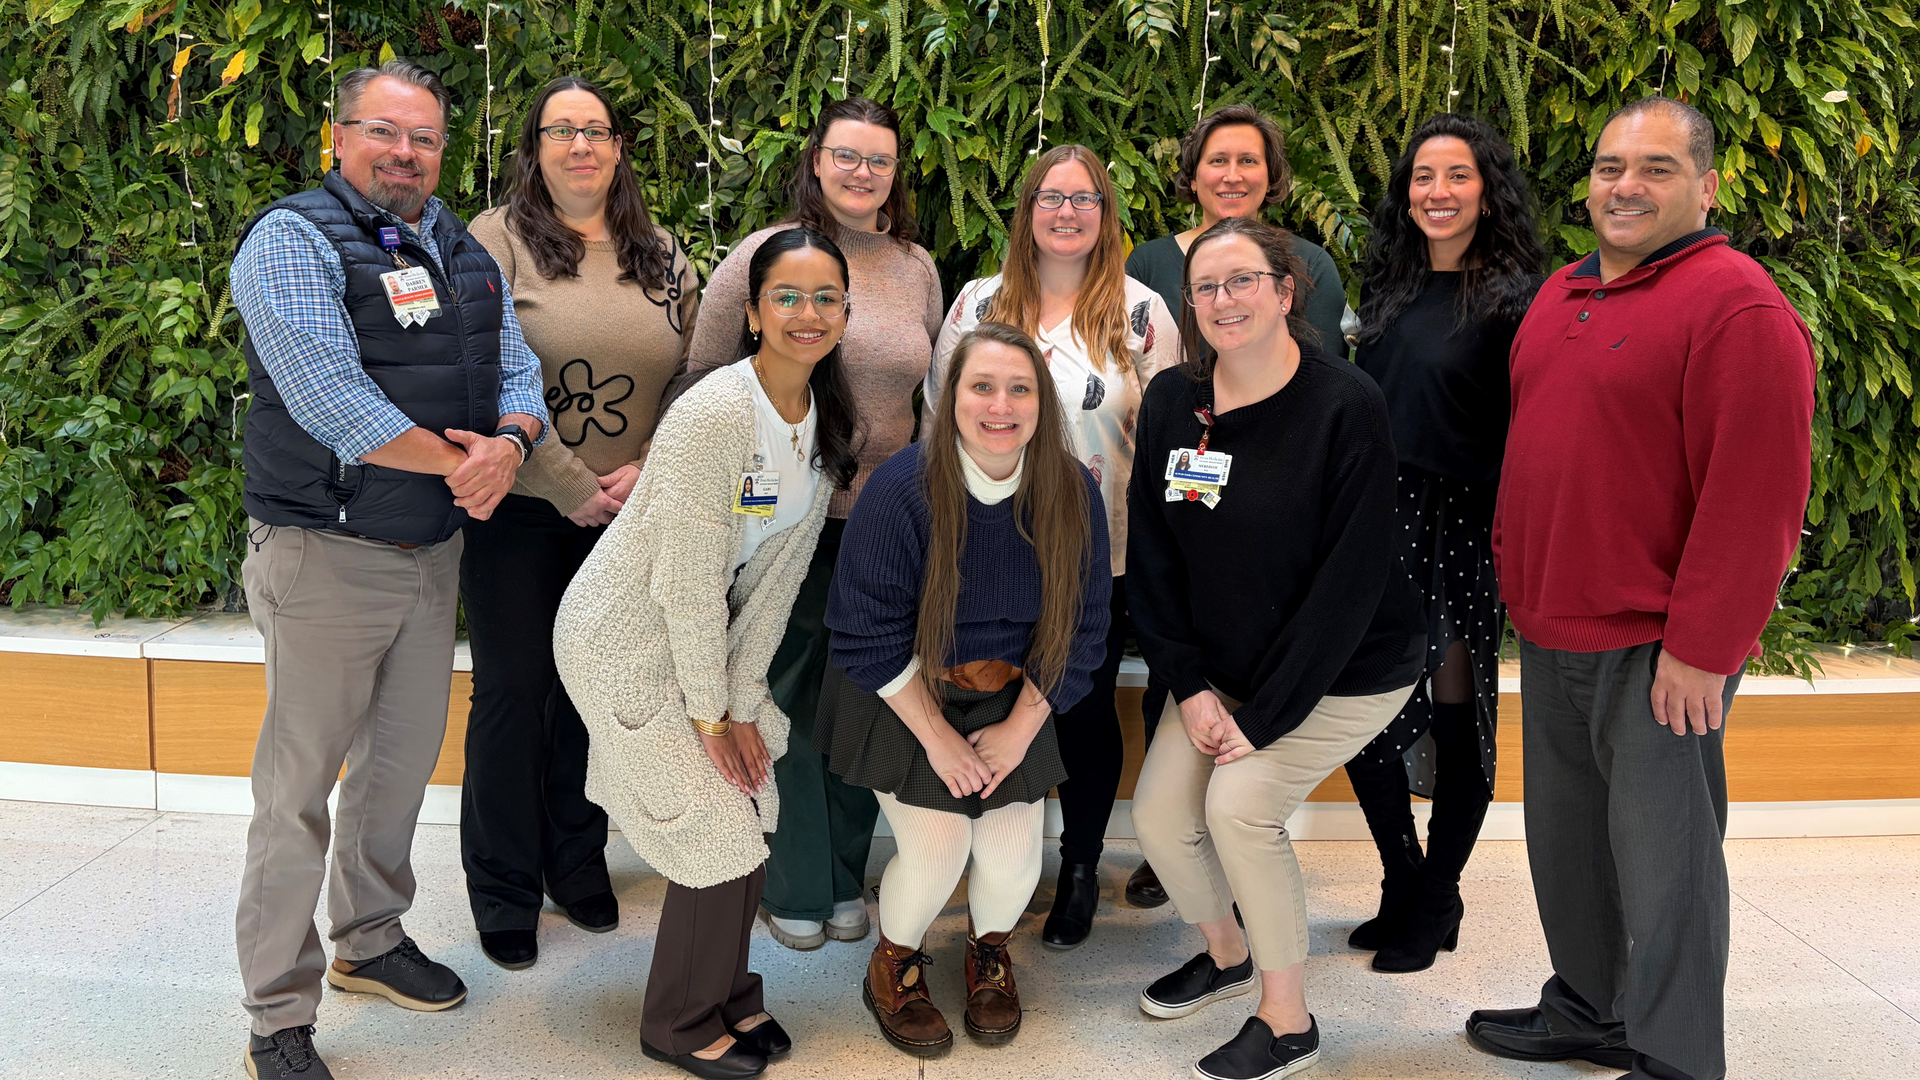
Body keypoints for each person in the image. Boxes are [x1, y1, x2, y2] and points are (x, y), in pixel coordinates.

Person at [1467, 97, 1813, 1080]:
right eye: (1610, 166)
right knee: (1569, 845)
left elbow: (1757, 494)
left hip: (1658, 644)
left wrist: (1704, 647)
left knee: (1668, 867)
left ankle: (1676, 1055)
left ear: (1707, 187)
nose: (1626, 185)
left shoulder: (1736, 305)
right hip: (1555, 625)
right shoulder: (1562, 292)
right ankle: (1591, 1010)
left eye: (1657, 167)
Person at [227, 59, 549, 1080]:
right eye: (384, 132)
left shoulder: (455, 243)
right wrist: (474, 465)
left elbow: (518, 364)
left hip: (430, 553)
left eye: (425, 139)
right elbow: (331, 398)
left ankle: (368, 940)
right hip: (325, 554)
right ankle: (278, 1016)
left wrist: (513, 438)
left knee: (398, 771)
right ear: (339, 138)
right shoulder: (291, 239)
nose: (405, 154)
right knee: (296, 793)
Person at [553, 227, 861, 1080]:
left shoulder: (824, 419)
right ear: (753, 313)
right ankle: (679, 1023)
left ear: (845, 313)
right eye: (786, 297)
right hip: (624, 638)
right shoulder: (714, 413)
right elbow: (687, 581)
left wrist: (744, 700)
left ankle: (728, 994)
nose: (807, 313)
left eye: (825, 298)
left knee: (754, 801)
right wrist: (711, 716)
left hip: (703, 641)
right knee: (714, 825)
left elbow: (773, 587)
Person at [1127, 217, 1424, 1080]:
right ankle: (1229, 954)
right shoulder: (1173, 401)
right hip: (1225, 669)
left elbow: (1348, 586)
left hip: (1347, 668)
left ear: (1286, 292)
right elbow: (1153, 554)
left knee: (1239, 808)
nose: (1223, 300)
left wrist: (1262, 720)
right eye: (1205, 288)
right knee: (1159, 817)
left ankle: (1288, 1020)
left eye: (1243, 281)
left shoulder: (1346, 405)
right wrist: (1190, 686)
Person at [665, 97, 944, 951]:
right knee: (779, 696)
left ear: (896, 173)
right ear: (816, 160)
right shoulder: (765, 255)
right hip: (784, 518)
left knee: (865, 699)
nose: (863, 173)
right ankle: (793, 883)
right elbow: (704, 378)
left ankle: (842, 876)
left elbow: (931, 398)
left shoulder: (916, 267)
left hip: (884, 527)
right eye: (846, 155)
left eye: (880, 159)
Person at [458, 75, 700, 971]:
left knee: (597, 694)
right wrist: (567, 482)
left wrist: (652, 466)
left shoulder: (661, 253)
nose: (580, 146)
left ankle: (575, 859)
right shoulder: (496, 240)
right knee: (515, 694)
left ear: (619, 147)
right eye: (561, 131)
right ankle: (503, 886)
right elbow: (483, 364)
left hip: (629, 515)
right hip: (523, 509)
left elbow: (697, 369)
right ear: (534, 149)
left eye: (595, 130)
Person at [819, 322, 1111, 1055]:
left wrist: (1019, 728)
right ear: (951, 397)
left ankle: (989, 954)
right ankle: (894, 964)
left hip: (1012, 695)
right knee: (941, 847)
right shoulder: (902, 489)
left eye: (1019, 389)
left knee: (1014, 860)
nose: (1000, 406)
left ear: (1042, 403)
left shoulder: (1072, 490)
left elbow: (1083, 626)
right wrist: (940, 740)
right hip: (902, 689)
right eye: (982, 386)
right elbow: (865, 634)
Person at [926, 143, 1180, 951]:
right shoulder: (978, 304)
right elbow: (939, 421)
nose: (1067, 212)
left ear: (1106, 213)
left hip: (1101, 556)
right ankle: (991, 865)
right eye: (1051, 197)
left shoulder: (1141, 313)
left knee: (1081, 709)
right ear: (1027, 210)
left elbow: (1170, 436)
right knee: (991, 699)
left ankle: (1079, 866)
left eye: (1084, 198)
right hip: (991, 548)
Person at [1120, 103, 1348, 911]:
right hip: (1180, 482)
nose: (1232, 174)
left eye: (1249, 160)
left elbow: (1318, 378)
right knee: (1177, 666)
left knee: (1263, 653)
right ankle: (1175, 844)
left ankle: (1236, 833)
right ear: (1193, 174)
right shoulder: (1150, 260)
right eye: (1217, 159)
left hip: (1270, 497)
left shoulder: (1308, 263)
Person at [1341, 113, 1547, 974]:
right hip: (1377, 519)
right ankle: (1404, 878)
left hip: (1461, 523)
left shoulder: (1520, 300)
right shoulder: (1386, 287)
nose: (1438, 192)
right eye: (1423, 176)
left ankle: (1437, 893)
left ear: (1487, 191)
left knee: (1459, 717)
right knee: (1363, 714)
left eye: (1458, 175)